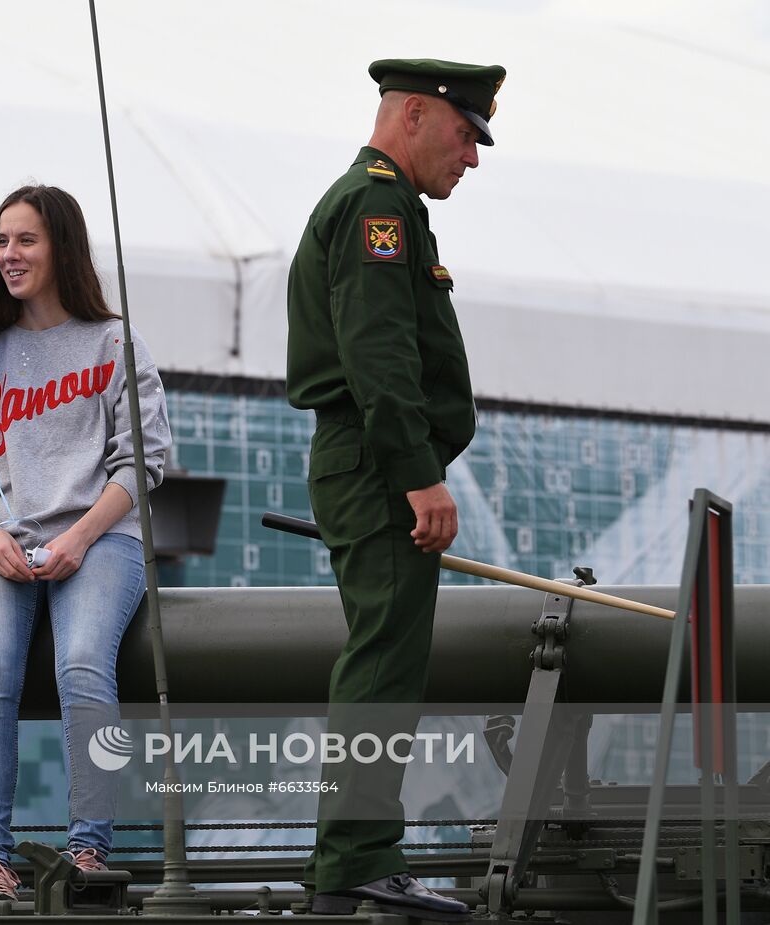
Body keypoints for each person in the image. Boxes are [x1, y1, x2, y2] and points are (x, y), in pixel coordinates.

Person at [285, 59, 506, 921]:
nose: (474, 158)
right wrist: (421, 479)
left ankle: (356, 855)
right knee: (382, 663)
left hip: (369, 463)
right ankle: (357, 857)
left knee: (384, 659)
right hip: (380, 468)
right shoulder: (379, 206)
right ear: (414, 113)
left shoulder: (379, 202)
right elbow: (379, 355)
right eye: (466, 135)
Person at [0, 185, 171, 897]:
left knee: (85, 663)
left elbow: (143, 461)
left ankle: (90, 850)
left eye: (25, 240)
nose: (8, 254)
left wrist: (80, 536)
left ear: (62, 247)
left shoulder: (114, 342)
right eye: (2, 241)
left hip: (100, 540)